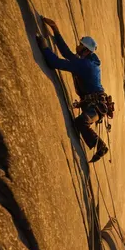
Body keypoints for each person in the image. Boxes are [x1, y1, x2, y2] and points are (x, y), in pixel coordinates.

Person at [36, 17, 108, 163]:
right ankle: (98, 145)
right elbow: (67, 54)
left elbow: (54, 62)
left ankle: (100, 146)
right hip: (95, 103)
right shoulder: (88, 61)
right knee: (80, 122)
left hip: (96, 107)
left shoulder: (86, 65)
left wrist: (44, 47)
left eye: (80, 45)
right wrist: (55, 30)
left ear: (85, 50)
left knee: (81, 122)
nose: (77, 46)